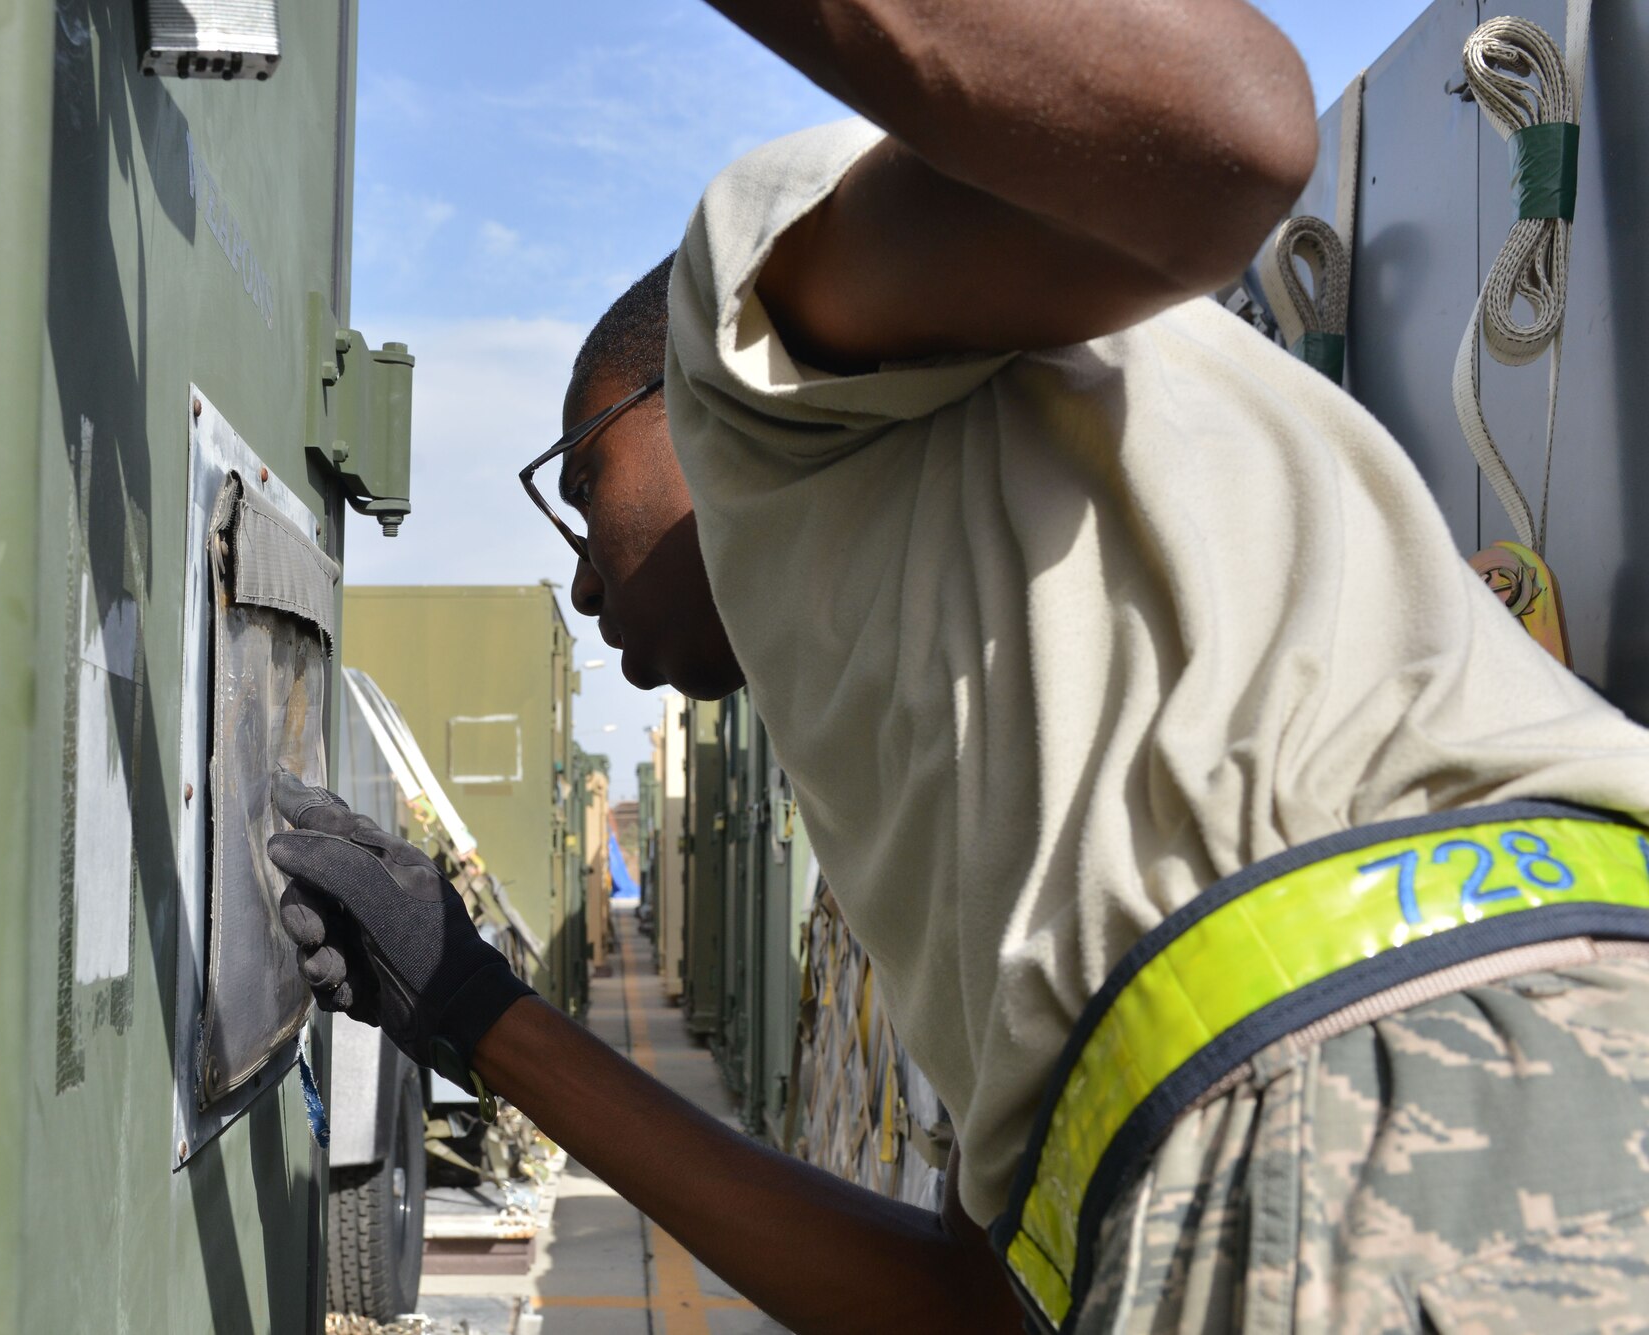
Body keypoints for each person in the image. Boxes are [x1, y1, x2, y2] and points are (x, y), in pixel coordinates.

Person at [270, 2, 1649, 1330]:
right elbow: (962, 1307)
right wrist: (468, 1007)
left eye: (583, 485)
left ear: (675, 398)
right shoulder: (1019, 708)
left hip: (1391, 1120)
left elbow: (1222, 132)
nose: (582, 577)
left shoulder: (739, 340)